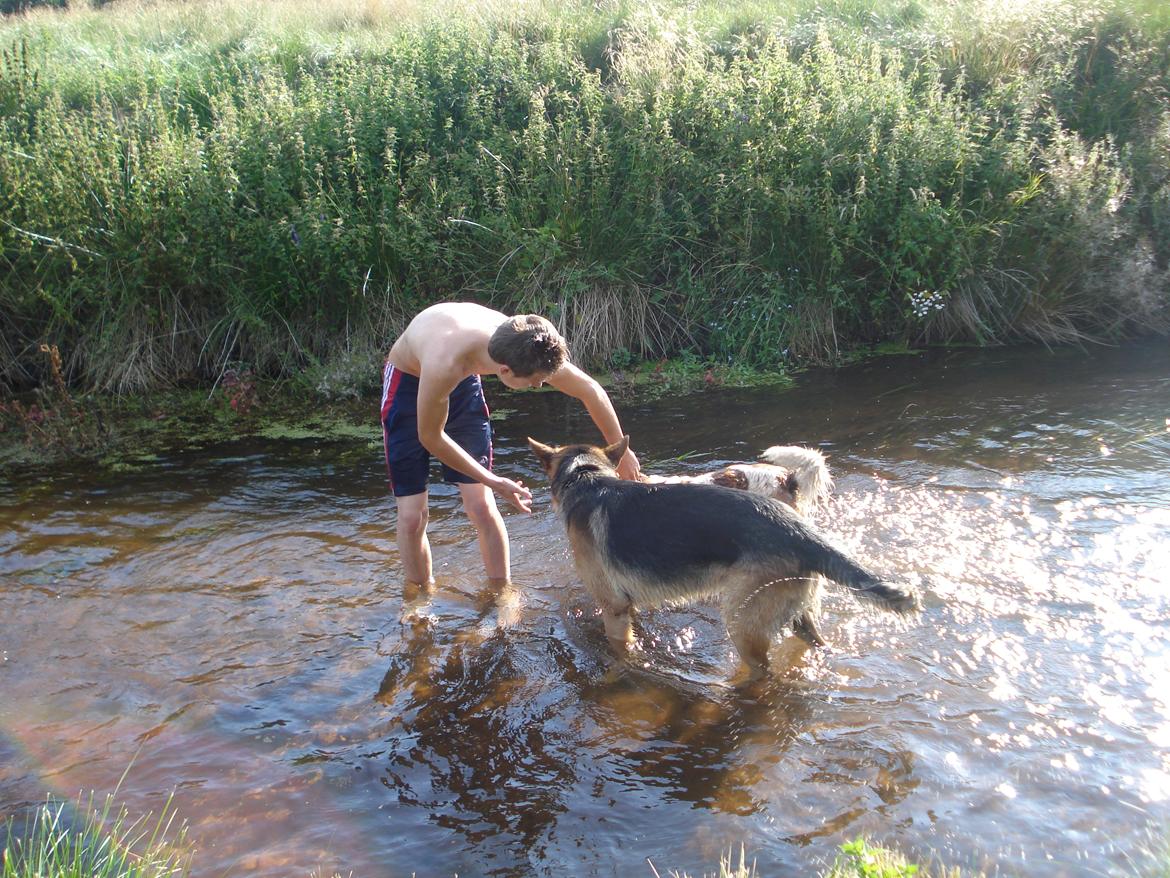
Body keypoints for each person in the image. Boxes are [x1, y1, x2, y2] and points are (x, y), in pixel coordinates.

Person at [381, 301, 642, 586]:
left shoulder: (528, 343)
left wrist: (623, 450)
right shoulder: (445, 362)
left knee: (481, 505)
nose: (538, 386)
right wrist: (493, 479)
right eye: (533, 383)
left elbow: (590, 390)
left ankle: (501, 594)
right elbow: (430, 436)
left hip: (461, 378)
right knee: (412, 516)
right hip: (410, 381)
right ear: (504, 371)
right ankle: (420, 600)